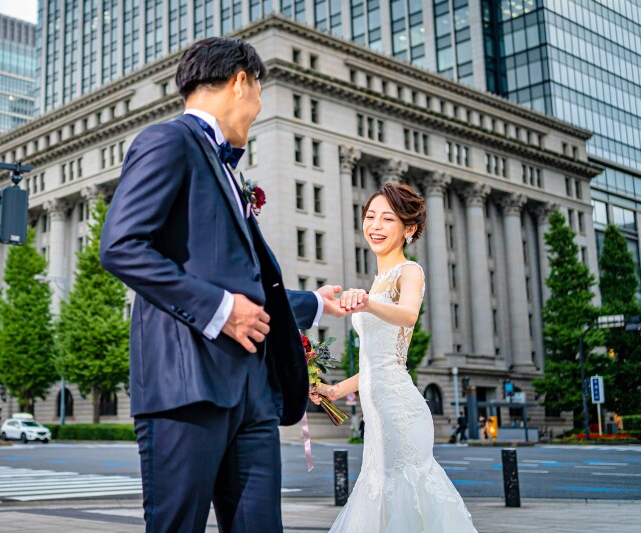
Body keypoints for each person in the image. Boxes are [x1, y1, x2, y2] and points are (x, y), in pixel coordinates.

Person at [100, 37, 362, 532]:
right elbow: (121, 246)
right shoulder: (168, 141)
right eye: (260, 91)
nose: (258, 107)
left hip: (253, 395)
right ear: (241, 82)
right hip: (188, 388)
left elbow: (240, 283)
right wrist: (220, 310)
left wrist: (313, 304)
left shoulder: (224, 167)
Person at [311, 184, 477, 532]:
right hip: (377, 413)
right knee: (381, 496)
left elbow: (408, 315)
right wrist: (333, 390)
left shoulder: (409, 271)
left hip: (400, 411)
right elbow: (377, 362)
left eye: (388, 219)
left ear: (409, 229)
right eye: (370, 216)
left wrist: (368, 303)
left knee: (404, 496)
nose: (375, 225)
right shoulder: (375, 284)